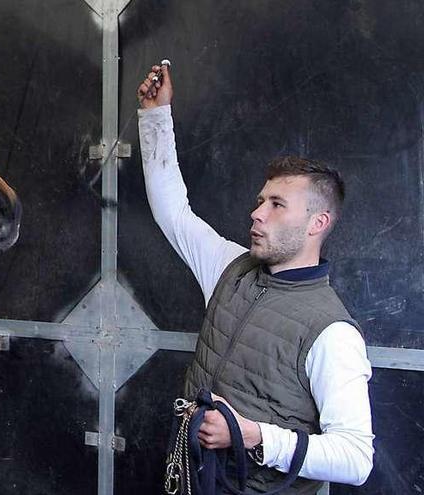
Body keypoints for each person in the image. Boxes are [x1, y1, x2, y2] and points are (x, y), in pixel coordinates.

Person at [136, 63, 374, 494]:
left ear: (317, 222)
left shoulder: (333, 333)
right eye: (260, 200)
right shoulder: (230, 267)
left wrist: (254, 437)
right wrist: (156, 116)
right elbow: (173, 211)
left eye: (277, 205)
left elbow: (356, 459)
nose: (257, 213)